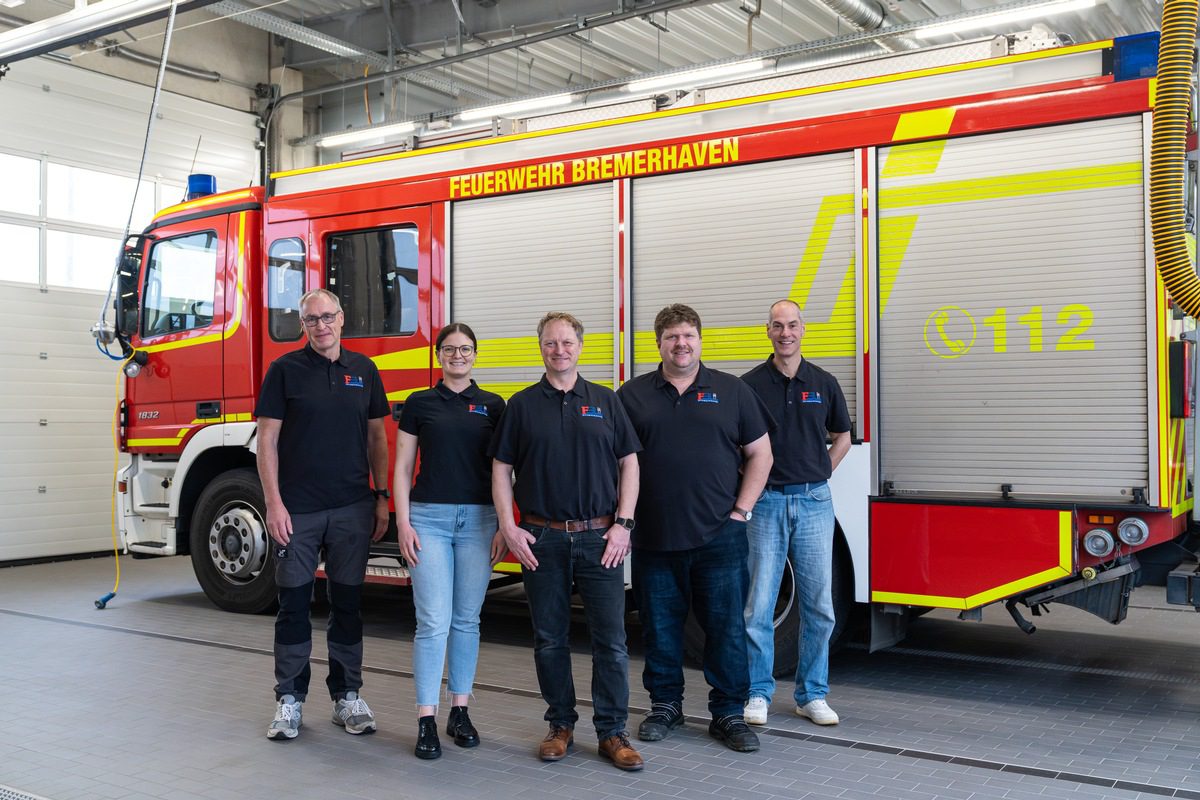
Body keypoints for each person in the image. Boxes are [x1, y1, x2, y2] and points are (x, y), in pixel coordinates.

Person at [489, 311, 645, 771]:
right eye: (551, 343)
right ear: (540, 347)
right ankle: (560, 725)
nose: (560, 350)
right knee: (549, 639)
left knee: (612, 643)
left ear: (581, 346)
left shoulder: (605, 400)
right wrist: (509, 525)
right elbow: (500, 469)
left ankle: (613, 732)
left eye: (567, 342)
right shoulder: (521, 405)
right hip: (541, 539)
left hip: (601, 538)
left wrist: (624, 523)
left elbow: (630, 464)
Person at [616, 303, 773, 753]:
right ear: (659, 343)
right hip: (654, 537)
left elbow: (761, 454)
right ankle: (666, 706)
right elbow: (617, 462)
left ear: (700, 340)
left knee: (725, 629)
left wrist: (741, 511)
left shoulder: (732, 391)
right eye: (671, 337)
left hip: (719, 539)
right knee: (659, 628)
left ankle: (727, 712)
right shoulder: (633, 395)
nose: (680, 344)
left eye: (687, 335)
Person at [256, 288, 391, 741]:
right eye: (312, 319)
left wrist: (382, 496)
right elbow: (268, 441)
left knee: (347, 604)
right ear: (303, 325)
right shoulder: (284, 371)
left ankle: (347, 696)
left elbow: (378, 439)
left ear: (342, 318)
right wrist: (274, 504)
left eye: (328, 317)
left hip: (353, 508)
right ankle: (289, 699)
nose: (321, 325)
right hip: (298, 511)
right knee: (293, 605)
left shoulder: (365, 371)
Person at [394, 323, 506, 759]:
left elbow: (504, 472)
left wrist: (502, 523)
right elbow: (403, 468)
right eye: (449, 349)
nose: (457, 355)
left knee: (467, 620)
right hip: (430, 521)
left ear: (476, 355)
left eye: (465, 349)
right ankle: (426, 718)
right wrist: (404, 523)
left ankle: (459, 711)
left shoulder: (494, 405)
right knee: (433, 622)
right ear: (438, 355)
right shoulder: (420, 403)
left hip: (480, 521)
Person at [741, 299, 851, 727]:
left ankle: (812, 694)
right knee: (759, 606)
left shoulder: (822, 382)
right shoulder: (749, 386)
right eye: (777, 326)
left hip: (814, 503)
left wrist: (824, 470)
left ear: (803, 330)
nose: (785, 332)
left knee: (820, 606)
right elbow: (738, 444)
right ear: (767, 332)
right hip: (766, 502)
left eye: (792, 325)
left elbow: (842, 434)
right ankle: (758, 693)